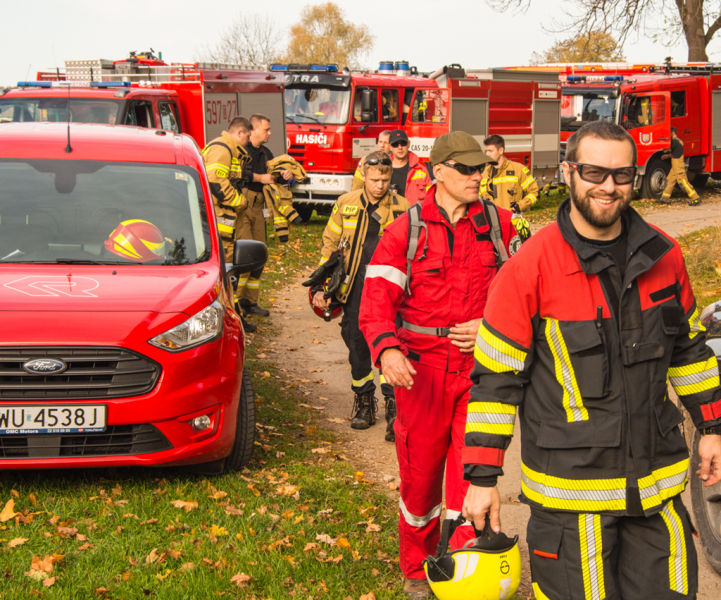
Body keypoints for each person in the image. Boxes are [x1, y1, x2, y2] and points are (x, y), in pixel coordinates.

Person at [462, 120, 721, 600]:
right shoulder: (529, 269)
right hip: (569, 501)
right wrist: (482, 476)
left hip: (656, 495)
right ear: (568, 172)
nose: (608, 186)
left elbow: (688, 350)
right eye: (594, 172)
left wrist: (712, 427)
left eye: (622, 175)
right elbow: (496, 380)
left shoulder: (664, 255)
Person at [359, 132, 514, 599]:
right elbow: (375, 302)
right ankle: (416, 568)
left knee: (473, 477)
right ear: (439, 172)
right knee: (421, 482)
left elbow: (526, 297)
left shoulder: (502, 224)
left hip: (479, 374)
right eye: (466, 169)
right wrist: (387, 351)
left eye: (480, 168)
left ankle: (465, 570)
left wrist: (489, 327)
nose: (477, 176)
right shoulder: (406, 230)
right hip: (421, 374)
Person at [312, 151, 410, 438]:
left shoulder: (403, 207)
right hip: (354, 286)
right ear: (363, 176)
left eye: (385, 179)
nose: (379, 185)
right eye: (374, 179)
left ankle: (394, 406)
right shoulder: (346, 204)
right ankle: (364, 400)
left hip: (390, 289)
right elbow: (329, 244)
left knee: (392, 343)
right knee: (356, 345)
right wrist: (320, 285)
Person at [201, 116, 254, 332]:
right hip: (219, 220)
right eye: (248, 136)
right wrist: (239, 201)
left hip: (226, 221)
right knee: (224, 271)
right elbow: (216, 181)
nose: (248, 141)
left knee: (229, 271)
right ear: (240, 133)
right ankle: (228, 321)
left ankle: (234, 317)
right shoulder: (222, 149)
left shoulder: (231, 151)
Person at [240, 113, 292, 318]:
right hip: (242, 207)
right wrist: (258, 177)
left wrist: (285, 174)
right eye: (266, 129)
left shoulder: (265, 152)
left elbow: (275, 175)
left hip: (259, 208)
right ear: (253, 130)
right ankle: (236, 304)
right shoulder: (240, 150)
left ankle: (250, 302)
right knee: (243, 255)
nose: (270, 133)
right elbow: (234, 174)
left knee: (258, 255)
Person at [479, 134, 539, 213]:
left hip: (512, 222)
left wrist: (519, 206)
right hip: (492, 223)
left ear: (501, 150)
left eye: (490, 151)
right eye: (486, 151)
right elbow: (478, 198)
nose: (487, 154)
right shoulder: (484, 173)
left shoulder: (518, 170)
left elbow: (535, 193)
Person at [388, 130, 433, 205]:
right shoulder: (384, 169)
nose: (400, 147)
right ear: (390, 147)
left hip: (415, 216)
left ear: (408, 144)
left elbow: (431, 198)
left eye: (403, 143)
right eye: (395, 144)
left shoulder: (421, 170)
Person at [660, 126, 701, 206]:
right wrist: (667, 156)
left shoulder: (674, 141)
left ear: (673, 133)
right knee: (670, 181)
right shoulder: (678, 141)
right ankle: (664, 200)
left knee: (683, 182)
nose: (668, 136)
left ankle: (696, 198)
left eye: (669, 134)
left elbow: (665, 149)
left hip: (677, 165)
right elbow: (675, 153)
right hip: (676, 164)